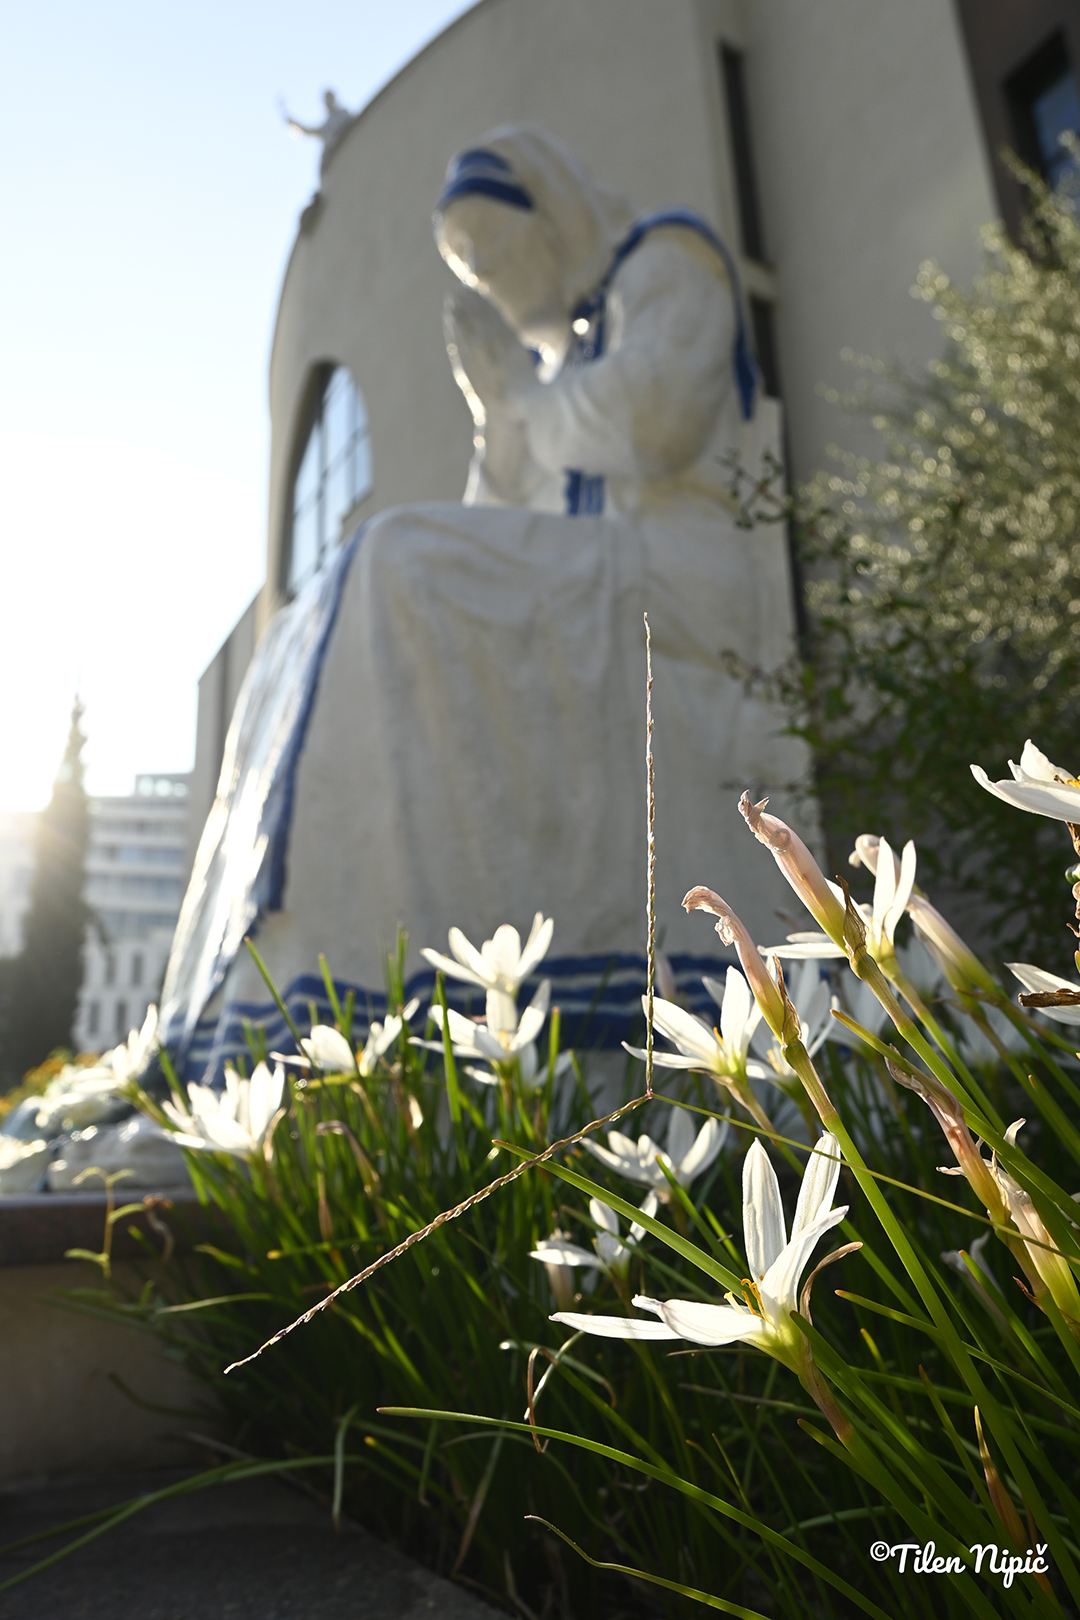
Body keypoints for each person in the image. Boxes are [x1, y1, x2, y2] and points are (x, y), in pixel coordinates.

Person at [160, 127, 814, 1080]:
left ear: (553, 214)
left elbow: (653, 418)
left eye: (498, 248)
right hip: (602, 572)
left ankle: (352, 1009)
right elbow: (496, 525)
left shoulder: (669, 262)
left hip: (686, 574)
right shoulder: (547, 370)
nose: (492, 280)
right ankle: (256, 1014)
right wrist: (497, 421)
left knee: (393, 558)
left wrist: (523, 404)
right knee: (323, 609)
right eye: (471, 267)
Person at [282, 89, 354, 176]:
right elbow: (308, 131)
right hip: (333, 154)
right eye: (326, 99)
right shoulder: (326, 125)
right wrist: (292, 123)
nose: (328, 101)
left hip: (347, 147)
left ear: (334, 98)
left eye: (330, 97)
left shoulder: (343, 113)